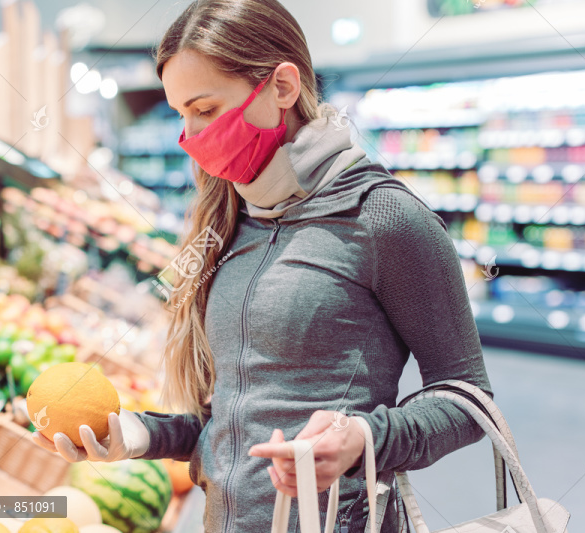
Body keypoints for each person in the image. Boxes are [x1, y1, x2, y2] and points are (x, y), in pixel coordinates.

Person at [33, 1, 494, 531]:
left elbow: (467, 397)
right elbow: (234, 419)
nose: (192, 137)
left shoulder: (384, 217)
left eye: (205, 110)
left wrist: (364, 438)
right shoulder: (231, 220)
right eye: (181, 114)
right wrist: (137, 435)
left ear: (282, 87)